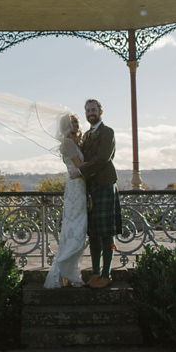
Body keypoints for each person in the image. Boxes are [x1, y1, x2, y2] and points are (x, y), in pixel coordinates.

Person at [78, 98, 121, 288]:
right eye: (87, 111)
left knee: (106, 233)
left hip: (104, 186)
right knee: (94, 234)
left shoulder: (108, 132)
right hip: (91, 188)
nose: (90, 113)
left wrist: (81, 171)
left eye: (93, 110)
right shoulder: (86, 136)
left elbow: (103, 157)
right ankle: (95, 274)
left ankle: (106, 274)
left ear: (101, 112)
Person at [43, 113, 87, 289]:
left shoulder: (77, 142)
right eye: (71, 122)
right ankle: (64, 270)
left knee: (78, 228)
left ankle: (70, 273)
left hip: (81, 186)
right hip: (76, 187)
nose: (75, 125)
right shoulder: (68, 143)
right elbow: (80, 165)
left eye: (76, 121)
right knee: (76, 228)